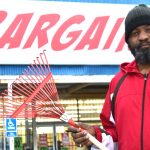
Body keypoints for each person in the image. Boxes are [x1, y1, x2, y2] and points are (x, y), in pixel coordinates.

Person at [67, 4, 150, 150]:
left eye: (148, 30)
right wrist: (94, 136)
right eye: (135, 33)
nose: (143, 36)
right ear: (128, 41)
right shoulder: (117, 83)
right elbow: (113, 135)